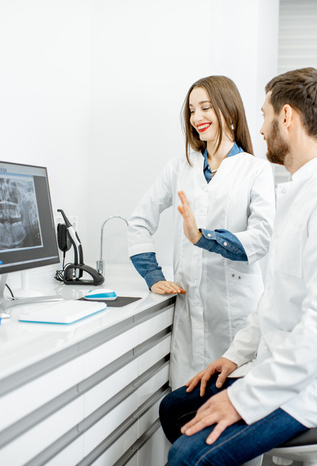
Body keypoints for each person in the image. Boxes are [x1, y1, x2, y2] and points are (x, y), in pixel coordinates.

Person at [158, 67, 317, 466]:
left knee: (188, 457)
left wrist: (242, 399)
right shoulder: (301, 192)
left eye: (264, 115)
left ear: (286, 117)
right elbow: (275, 300)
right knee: (174, 409)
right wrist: (234, 356)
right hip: (289, 364)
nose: (259, 128)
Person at [127, 75, 276, 389]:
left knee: (232, 414)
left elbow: (261, 239)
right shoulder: (179, 167)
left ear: (230, 112)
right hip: (190, 315)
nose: (196, 118)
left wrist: (203, 238)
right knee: (184, 409)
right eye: (192, 110)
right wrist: (152, 275)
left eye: (205, 108)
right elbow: (139, 221)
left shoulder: (256, 170)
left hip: (237, 317)